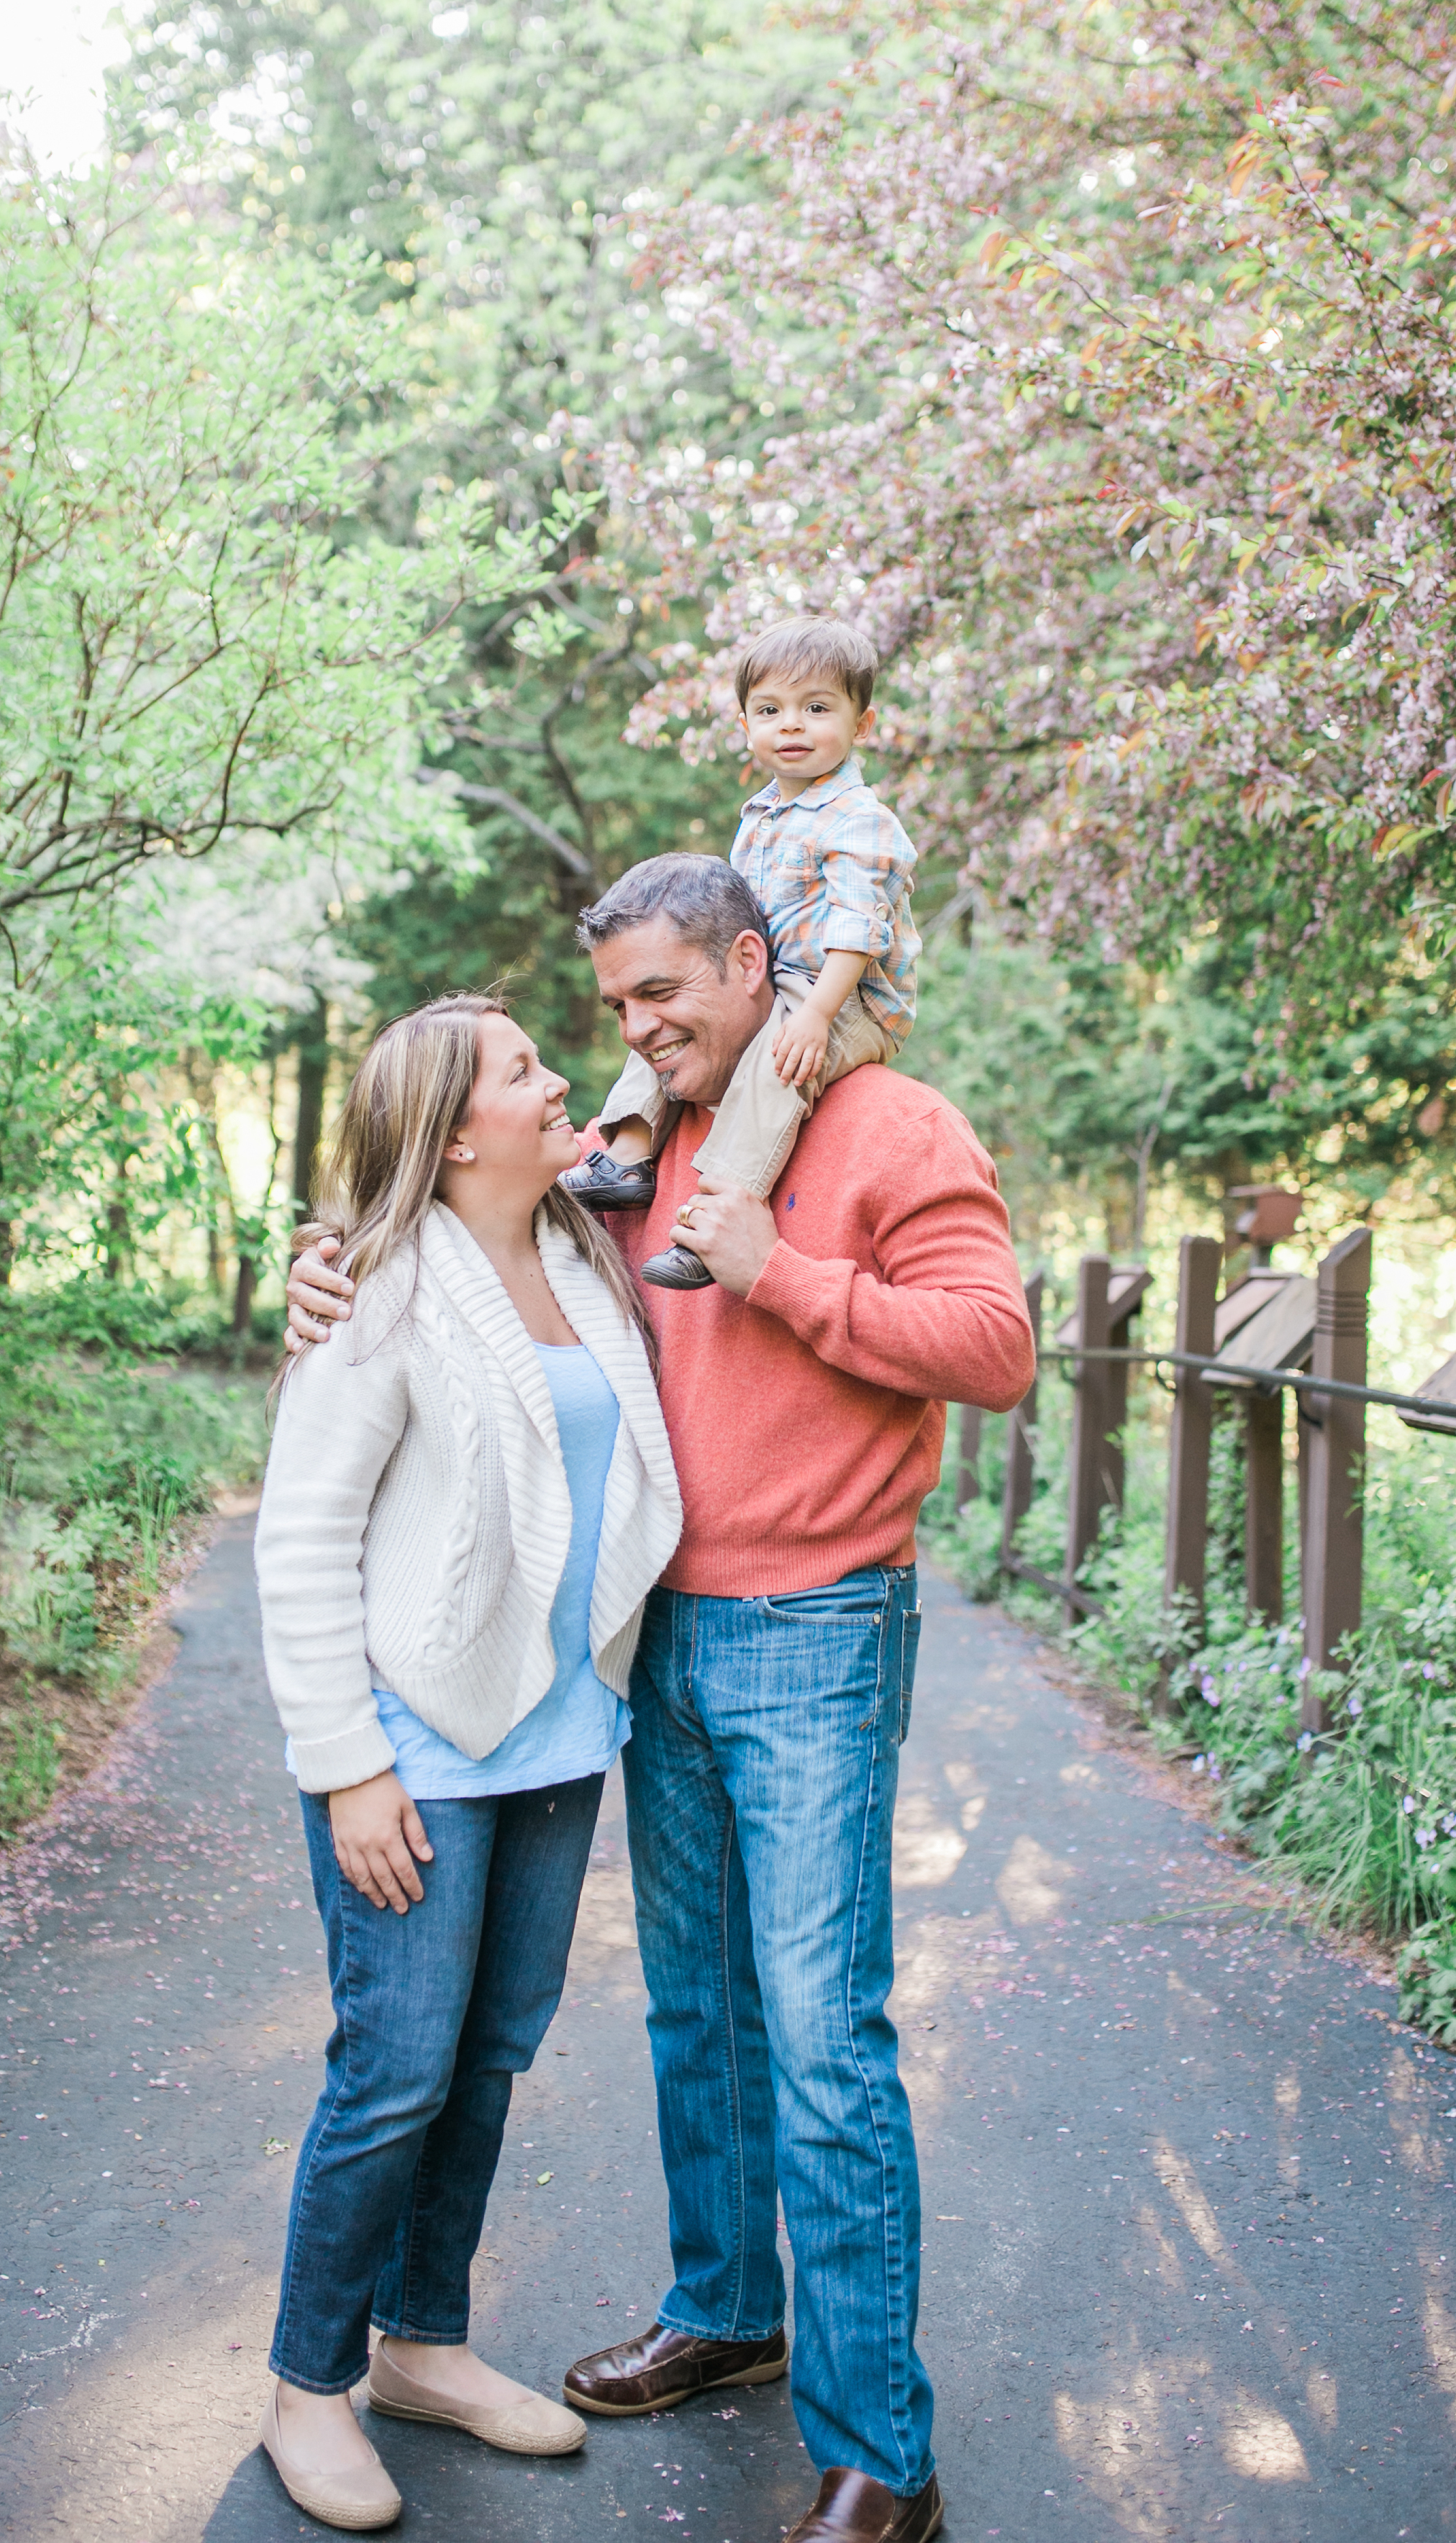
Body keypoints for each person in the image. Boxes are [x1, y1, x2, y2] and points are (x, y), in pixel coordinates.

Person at [287, 858, 1035, 2543]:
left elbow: (994, 1346)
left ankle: (876, 2454)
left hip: (818, 1623)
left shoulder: (891, 1125)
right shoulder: (638, 1149)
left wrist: (782, 1269)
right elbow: (448, 1245)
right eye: (613, 1006)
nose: (632, 1032)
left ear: (755, 964)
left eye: (660, 998)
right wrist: (321, 1264)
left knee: (825, 2037)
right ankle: (726, 2309)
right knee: (693, 2009)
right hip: (654, 1641)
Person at [253, 992, 681, 2531]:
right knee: (392, 2073)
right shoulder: (371, 1290)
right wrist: (345, 1765)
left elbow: (685, 1058)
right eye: (519, 1068)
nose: (557, 1075)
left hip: (558, 1742)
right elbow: (300, 1541)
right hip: (410, 1754)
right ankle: (309, 2388)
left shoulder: (584, 1250)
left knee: (488, 2060)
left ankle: (423, 2344)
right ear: (449, 1134)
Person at [564, 617, 919, 1290]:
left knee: (777, 1065)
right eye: (770, 710)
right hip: (785, 981)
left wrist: (815, 1016)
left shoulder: (860, 819)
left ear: (861, 724)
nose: (792, 725)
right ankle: (629, 1159)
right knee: (656, 1030)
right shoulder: (761, 816)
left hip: (849, 996)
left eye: (817, 709)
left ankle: (722, 1211)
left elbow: (857, 932)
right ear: (746, 724)